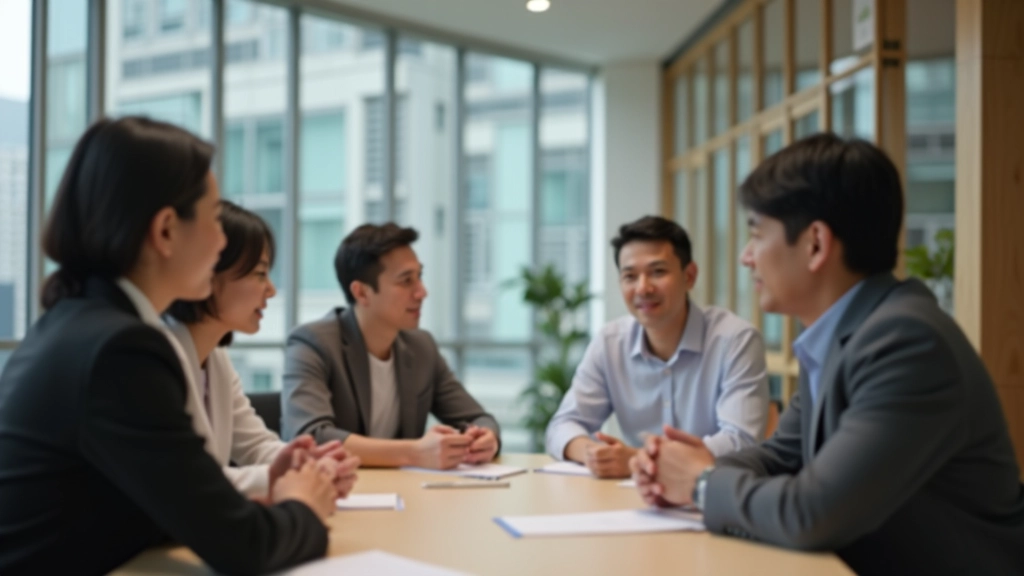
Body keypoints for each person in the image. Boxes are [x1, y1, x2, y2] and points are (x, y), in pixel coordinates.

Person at [631, 134, 1024, 575]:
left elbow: (812, 512)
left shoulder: (907, 343)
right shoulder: (843, 335)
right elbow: (780, 456)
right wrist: (683, 467)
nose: (746, 257)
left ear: (816, 244)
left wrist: (702, 484)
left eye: (756, 234)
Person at [0, 117, 335, 576]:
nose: (221, 243)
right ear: (165, 231)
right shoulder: (122, 350)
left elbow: (166, 505)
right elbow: (245, 547)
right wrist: (304, 506)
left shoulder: (76, 323)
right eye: (215, 218)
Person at [546, 216, 769, 478]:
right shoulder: (610, 342)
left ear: (689, 276)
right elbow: (562, 425)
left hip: (711, 496)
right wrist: (592, 454)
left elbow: (741, 441)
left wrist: (642, 460)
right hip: (634, 499)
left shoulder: (736, 339)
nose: (643, 288)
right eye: (630, 276)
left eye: (658, 272)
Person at [165, 201, 359, 500]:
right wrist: (282, 479)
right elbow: (186, 481)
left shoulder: (215, 357)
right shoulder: (160, 355)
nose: (270, 290)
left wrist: (310, 465)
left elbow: (255, 445)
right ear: (209, 273)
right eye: (259, 273)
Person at [281, 223, 501, 469]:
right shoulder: (312, 343)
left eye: (420, 277)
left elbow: (478, 418)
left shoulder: (421, 347)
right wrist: (414, 453)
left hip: (405, 496)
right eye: (406, 281)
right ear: (362, 293)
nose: (422, 292)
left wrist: (486, 438)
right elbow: (312, 437)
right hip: (337, 495)